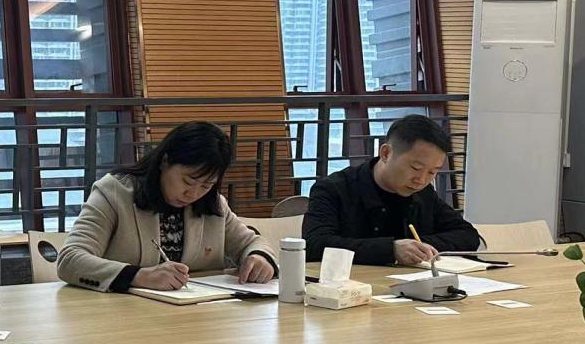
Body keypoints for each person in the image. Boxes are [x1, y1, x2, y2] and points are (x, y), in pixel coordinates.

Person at [57, 121, 276, 292]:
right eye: (188, 181)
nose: (193, 194)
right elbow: (70, 259)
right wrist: (139, 276)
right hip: (123, 315)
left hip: (199, 316)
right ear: (164, 161)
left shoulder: (212, 204)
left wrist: (259, 258)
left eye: (206, 185)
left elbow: (253, 242)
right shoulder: (115, 193)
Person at [302, 113, 481, 265]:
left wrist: (417, 247)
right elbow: (315, 245)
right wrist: (390, 249)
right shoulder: (334, 189)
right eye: (416, 168)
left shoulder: (423, 193)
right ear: (386, 153)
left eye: (432, 172)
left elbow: (468, 236)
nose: (421, 180)